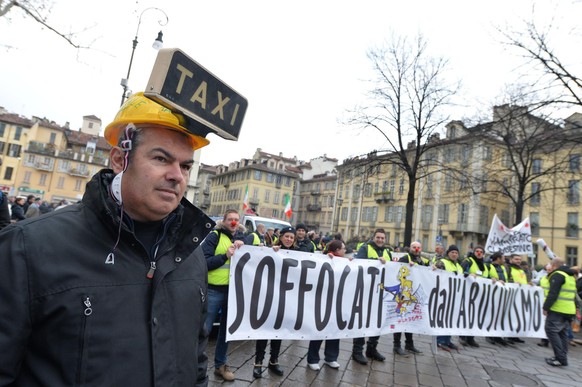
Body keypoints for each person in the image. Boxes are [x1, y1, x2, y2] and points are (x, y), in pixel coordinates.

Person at [0, 92, 214, 386]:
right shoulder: (26, 247)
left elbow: (197, 358)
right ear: (119, 159)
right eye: (161, 158)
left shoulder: (191, 255)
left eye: (186, 166)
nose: (177, 175)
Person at [202, 209, 245, 381]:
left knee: (227, 332)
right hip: (213, 290)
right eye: (230, 219)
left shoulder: (243, 239)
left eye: (236, 219)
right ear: (224, 221)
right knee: (204, 330)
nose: (233, 222)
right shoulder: (214, 236)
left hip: (233, 293)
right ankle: (196, 364)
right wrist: (225, 256)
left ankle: (221, 364)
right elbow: (204, 262)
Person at [252, 226, 297, 378]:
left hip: (287, 298)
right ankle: (258, 362)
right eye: (287, 236)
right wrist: (261, 249)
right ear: (281, 236)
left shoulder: (298, 254)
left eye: (292, 237)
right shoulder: (272, 250)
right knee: (264, 330)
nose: (289, 239)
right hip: (270, 296)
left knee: (279, 331)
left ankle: (273, 361)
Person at [307, 239, 351, 371]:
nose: (345, 251)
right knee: (319, 329)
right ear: (337, 250)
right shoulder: (324, 259)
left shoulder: (344, 262)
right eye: (343, 249)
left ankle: (331, 357)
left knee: (335, 329)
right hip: (323, 300)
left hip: (337, 301)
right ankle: (313, 359)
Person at [351, 228, 391, 365]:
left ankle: (372, 349)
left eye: (382, 238)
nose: (380, 240)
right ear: (373, 237)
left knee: (378, 320)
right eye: (378, 237)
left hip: (381, 291)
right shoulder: (365, 248)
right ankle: (357, 351)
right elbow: (359, 264)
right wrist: (376, 260)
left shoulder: (387, 251)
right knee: (362, 320)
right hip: (366, 290)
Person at [393, 241, 428, 356]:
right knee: (400, 319)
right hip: (403, 295)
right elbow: (396, 271)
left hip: (413, 294)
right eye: (414, 247)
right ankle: (396, 345)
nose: (416, 249)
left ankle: (409, 344)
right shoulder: (405, 258)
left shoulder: (421, 260)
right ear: (410, 248)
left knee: (411, 318)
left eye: (418, 247)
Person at [543, 258, 577, 367]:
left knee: (551, 330)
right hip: (568, 310)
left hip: (558, 309)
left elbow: (553, 293)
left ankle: (560, 358)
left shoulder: (557, 274)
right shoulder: (570, 276)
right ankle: (562, 356)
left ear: (553, 265)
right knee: (562, 333)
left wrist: (546, 307)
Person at [459, 245, 489, 348]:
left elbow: (486, 278)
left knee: (474, 316)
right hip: (467, 292)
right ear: (474, 252)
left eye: (481, 251)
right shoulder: (468, 261)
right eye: (477, 251)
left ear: (483, 254)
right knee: (466, 314)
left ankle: (471, 338)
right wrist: (469, 274)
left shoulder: (484, 265)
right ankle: (462, 336)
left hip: (478, 295)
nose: (479, 253)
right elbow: (461, 272)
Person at [434, 245, 463, 352]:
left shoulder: (459, 266)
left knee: (450, 319)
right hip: (443, 295)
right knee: (442, 318)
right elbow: (436, 274)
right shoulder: (442, 262)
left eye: (456, 252)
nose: (454, 254)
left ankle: (447, 340)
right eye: (452, 252)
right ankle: (440, 340)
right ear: (448, 253)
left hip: (454, 296)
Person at [486, 252, 510, 346]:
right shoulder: (489, 266)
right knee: (492, 315)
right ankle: (490, 335)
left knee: (500, 315)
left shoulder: (503, 268)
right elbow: (486, 278)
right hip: (493, 294)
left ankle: (498, 336)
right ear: (498, 258)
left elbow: (505, 279)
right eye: (503, 258)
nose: (504, 260)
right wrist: (493, 280)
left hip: (502, 294)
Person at [506, 253, 530, 343]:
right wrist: (513, 282)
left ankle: (515, 335)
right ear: (511, 259)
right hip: (512, 295)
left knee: (518, 316)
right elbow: (505, 279)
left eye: (519, 259)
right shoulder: (508, 268)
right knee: (510, 316)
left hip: (521, 296)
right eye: (516, 259)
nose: (518, 261)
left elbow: (524, 280)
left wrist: (528, 284)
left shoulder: (521, 269)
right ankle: (508, 335)